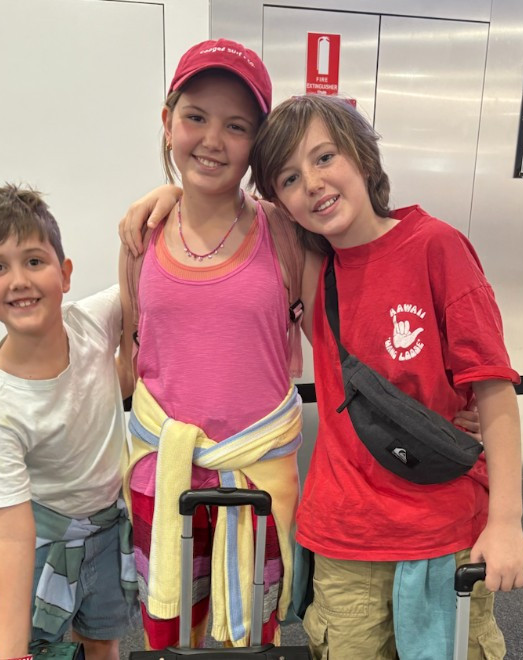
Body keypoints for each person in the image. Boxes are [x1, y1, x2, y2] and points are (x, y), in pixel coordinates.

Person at [248, 94, 523, 659]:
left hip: (444, 532)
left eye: (325, 157)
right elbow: (227, 213)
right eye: (289, 178)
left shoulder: (435, 247)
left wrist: (507, 521)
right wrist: (171, 195)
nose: (313, 183)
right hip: (344, 538)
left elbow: (493, 388)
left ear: (362, 156)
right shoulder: (313, 271)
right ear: (280, 201)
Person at [117, 38, 308, 651]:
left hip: (256, 478)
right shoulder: (141, 237)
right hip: (163, 474)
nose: (212, 140)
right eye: (195, 117)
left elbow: (339, 345)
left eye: (236, 126)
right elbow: (130, 358)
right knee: (171, 631)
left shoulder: (286, 233)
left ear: (258, 143)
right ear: (167, 121)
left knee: (252, 633)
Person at [0, 184, 136, 660]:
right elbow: (10, 533)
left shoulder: (93, 322)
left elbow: (144, 277)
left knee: (102, 640)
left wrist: (161, 201)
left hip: (108, 524)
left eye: (34, 261)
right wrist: (11, 654)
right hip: (43, 539)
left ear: (65, 273)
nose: (19, 280)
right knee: (39, 647)